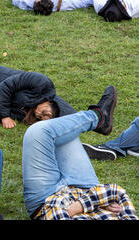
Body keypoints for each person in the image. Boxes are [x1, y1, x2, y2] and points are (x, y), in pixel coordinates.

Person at [23, 85, 138, 220]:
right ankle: (98, 117)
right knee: (64, 134)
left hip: (45, 200)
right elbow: (118, 192)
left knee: (39, 132)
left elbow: (57, 214)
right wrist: (91, 202)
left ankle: (97, 116)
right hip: (85, 188)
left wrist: (87, 204)